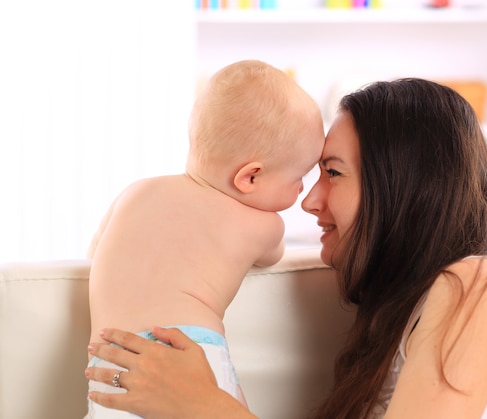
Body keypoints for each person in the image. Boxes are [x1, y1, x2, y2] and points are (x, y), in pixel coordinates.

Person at [85, 78, 487, 418]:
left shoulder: (480, 287)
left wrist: (202, 404)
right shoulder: (402, 316)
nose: (309, 201)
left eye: (332, 173)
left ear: (402, 186)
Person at [85, 59, 325, 416]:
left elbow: (95, 252)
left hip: (111, 363)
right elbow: (272, 257)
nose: (303, 192)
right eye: (299, 178)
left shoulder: (135, 193)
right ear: (250, 178)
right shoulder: (263, 225)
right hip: (191, 354)